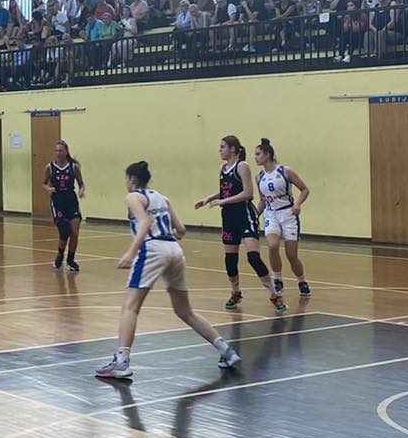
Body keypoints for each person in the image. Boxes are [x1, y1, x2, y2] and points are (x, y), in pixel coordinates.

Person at [95, 161, 240, 381]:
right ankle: (226, 351)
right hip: (174, 249)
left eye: (126, 179)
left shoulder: (133, 197)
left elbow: (144, 223)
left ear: (132, 180)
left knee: (130, 307)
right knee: (185, 311)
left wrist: (131, 253)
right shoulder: (162, 198)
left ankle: (121, 362)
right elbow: (181, 230)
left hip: (152, 249)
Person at [195, 137, 283, 312]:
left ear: (233, 149)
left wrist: (223, 201)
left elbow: (248, 193)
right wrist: (209, 198)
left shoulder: (242, 166)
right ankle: (235, 293)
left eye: (222, 147)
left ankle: (274, 294)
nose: (220, 150)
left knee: (253, 258)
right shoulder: (223, 168)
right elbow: (226, 191)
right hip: (229, 217)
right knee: (230, 260)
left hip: (244, 215)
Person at [254, 138, 312, 298]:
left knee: (291, 255)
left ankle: (301, 281)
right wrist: (253, 217)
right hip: (271, 214)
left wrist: (297, 204)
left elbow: (305, 189)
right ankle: (277, 279)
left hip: (288, 214)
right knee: (272, 245)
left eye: (258, 154)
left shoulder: (285, 171)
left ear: (267, 154)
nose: (255, 157)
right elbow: (262, 201)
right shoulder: (259, 177)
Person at [43, 139, 86, 272]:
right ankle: (60, 255)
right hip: (57, 202)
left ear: (66, 151)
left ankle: (71, 259)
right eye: (56, 150)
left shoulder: (73, 167)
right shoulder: (50, 167)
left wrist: (81, 191)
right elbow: (44, 183)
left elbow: (81, 183)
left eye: (60, 150)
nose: (58, 153)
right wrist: (48, 188)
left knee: (74, 233)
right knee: (64, 232)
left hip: (71, 201)